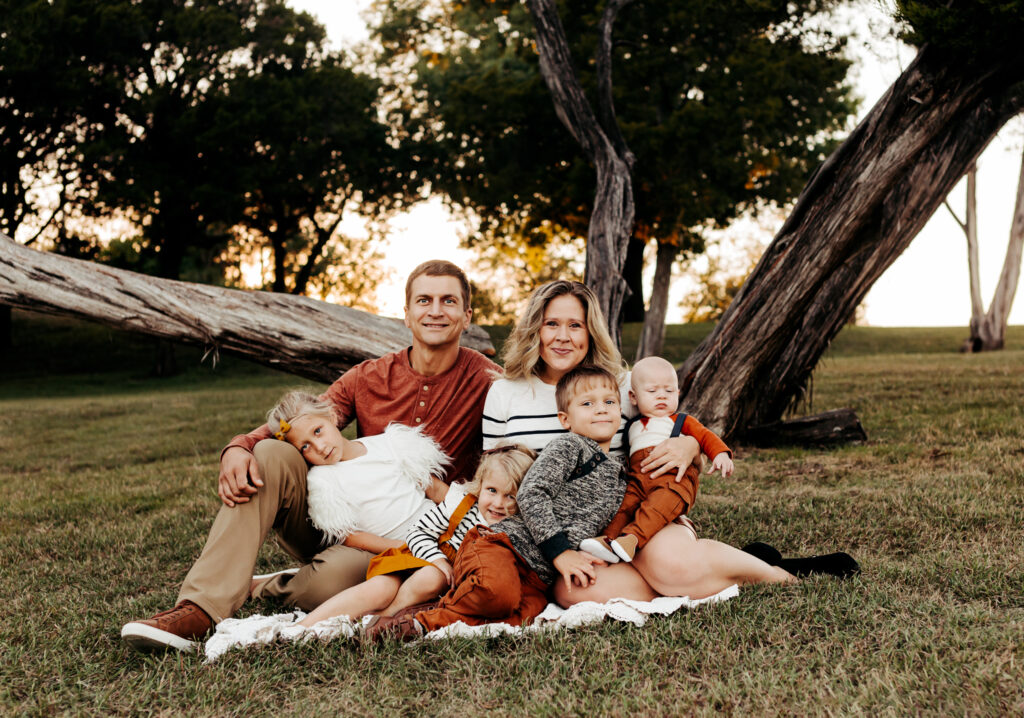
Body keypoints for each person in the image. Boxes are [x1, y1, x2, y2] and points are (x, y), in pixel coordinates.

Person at [121, 260, 500, 653]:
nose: (435, 311)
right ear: (406, 314)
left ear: (467, 315)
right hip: (343, 519)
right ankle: (199, 609)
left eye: (448, 301)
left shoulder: (490, 381)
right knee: (269, 451)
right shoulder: (369, 376)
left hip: (419, 538)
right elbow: (301, 421)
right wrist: (240, 445)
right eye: (424, 300)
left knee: (329, 585)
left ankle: (272, 584)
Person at [479, 280, 857, 612]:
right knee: (576, 592)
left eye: (575, 325)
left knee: (672, 570)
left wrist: (690, 445)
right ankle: (732, 564)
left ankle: (778, 574)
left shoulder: (621, 387)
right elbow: (497, 478)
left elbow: (672, 424)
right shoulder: (505, 393)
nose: (563, 337)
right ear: (535, 330)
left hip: (639, 515)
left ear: (590, 332)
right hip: (562, 539)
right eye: (552, 324)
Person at [366, 366, 655, 641]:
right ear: (565, 420)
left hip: (538, 577)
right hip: (503, 545)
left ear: (621, 411)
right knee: (497, 594)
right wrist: (562, 552)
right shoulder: (569, 447)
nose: (602, 408)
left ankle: (418, 619)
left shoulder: (619, 471)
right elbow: (532, 494)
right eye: (588, 404)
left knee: (522, 616)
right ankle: (409, 624)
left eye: (609, 401)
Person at [297, 442, 536, 628]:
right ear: (480, 484)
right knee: (380, 587)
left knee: (432, 578)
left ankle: (381, 618)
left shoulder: (517, 527)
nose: (498, 503)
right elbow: (418, 532)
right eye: (491, 491)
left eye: (510, 496)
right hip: (421, 558)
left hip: (452, 581)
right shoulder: (461, 503)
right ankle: (301, 628)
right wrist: (438, 559)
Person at [579, 355, 733, 563]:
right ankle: (607, 540)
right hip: (638, 480)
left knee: (658, 505)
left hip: (673, 479)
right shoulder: (631, 425)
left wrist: (720, 454)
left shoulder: (680, 420)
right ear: (633, 397)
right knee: (624, 506)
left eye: (669, 391)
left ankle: (632, 538)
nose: (661, 396)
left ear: (678, 394)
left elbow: (705, 436)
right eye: (652, 391)